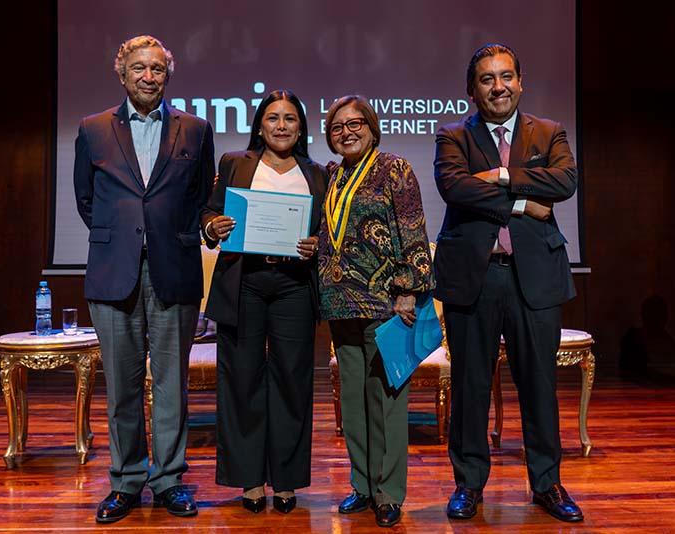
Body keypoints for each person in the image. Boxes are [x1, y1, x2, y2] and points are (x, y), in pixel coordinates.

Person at [433, 43, 583, 522]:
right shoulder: (452, 134)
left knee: (538, 385)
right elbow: (455, 187)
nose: (497, 87)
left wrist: (499, 175)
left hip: (534, 278)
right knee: (471, 386)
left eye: (505, 77)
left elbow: (563, 183)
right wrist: (523, 199)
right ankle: (469, 485)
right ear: (471, 89)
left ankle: (547, 484)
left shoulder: (550, 131)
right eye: (486, 79)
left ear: (520, 81)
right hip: (472, 278)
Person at [73, 35, 214, 523]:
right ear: (122, 73)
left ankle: (170, 479)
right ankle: (128, 480)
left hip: (174, 270)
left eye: (156, 69)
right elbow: (87, 201)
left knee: (172, 384)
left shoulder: (195, 130)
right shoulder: (92, 129)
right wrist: (126, 240)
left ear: (167, 75)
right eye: (139, 68)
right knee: (123, 386)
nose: (148, 76)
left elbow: (199, 198)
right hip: (115, 273)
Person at [201, 90, 327, 514]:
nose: (281, 126)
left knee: (293, 381)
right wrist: (213, 227)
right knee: (241, 380)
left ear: (301, 127)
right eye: (273, 118)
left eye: (291, 119)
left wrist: (316, 246)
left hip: (294, 283)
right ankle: (249, 480)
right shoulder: (235, 163)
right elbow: (208, 212)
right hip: (245, 282)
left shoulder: (317, 172)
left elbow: (327, 231)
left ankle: (287, 481)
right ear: (259, 124)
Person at [318, 95, 434, 528]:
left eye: (355, 124)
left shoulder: (394, 169)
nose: (346, 132)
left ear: (371, 126)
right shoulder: (332, 175)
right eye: (337, 127)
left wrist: (408, 290)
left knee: (387, 401)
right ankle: (362, 484)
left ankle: (388, 492)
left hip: (387, 303)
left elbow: (413, 229)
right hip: (339, 302)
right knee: (353, 401)